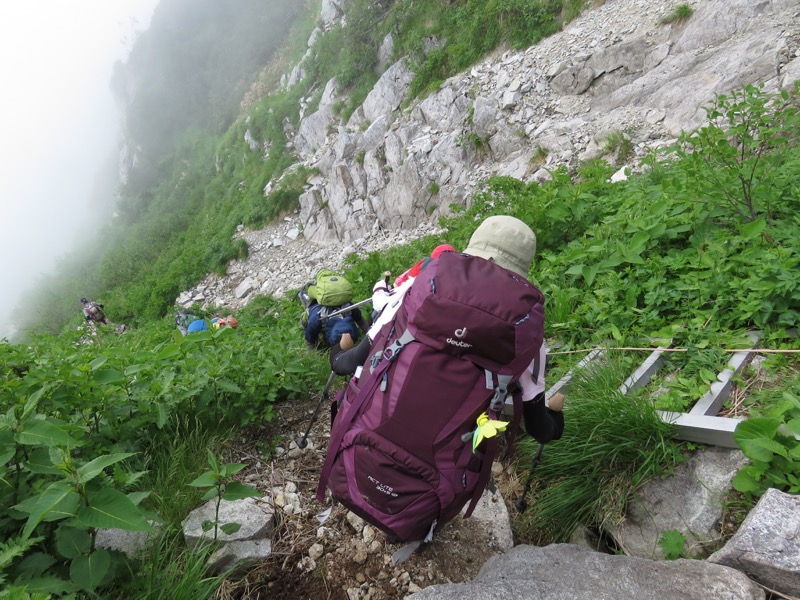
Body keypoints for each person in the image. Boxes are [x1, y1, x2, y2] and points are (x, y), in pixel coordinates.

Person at [329, 215, 563, 444]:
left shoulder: (416, 291)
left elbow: (348, 364)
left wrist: (336, 353)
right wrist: (556, 423)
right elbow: (539, 429)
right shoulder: (524, 328)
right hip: (443, 467)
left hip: (364, 445)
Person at [304, 298, 369, 360]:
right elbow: (310, 342)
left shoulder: (350, 308)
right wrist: (310, 350)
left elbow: (361, 322)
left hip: (340, 306)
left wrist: (370, 334)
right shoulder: (316, 320)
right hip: (317, 306)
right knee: (320, 342)